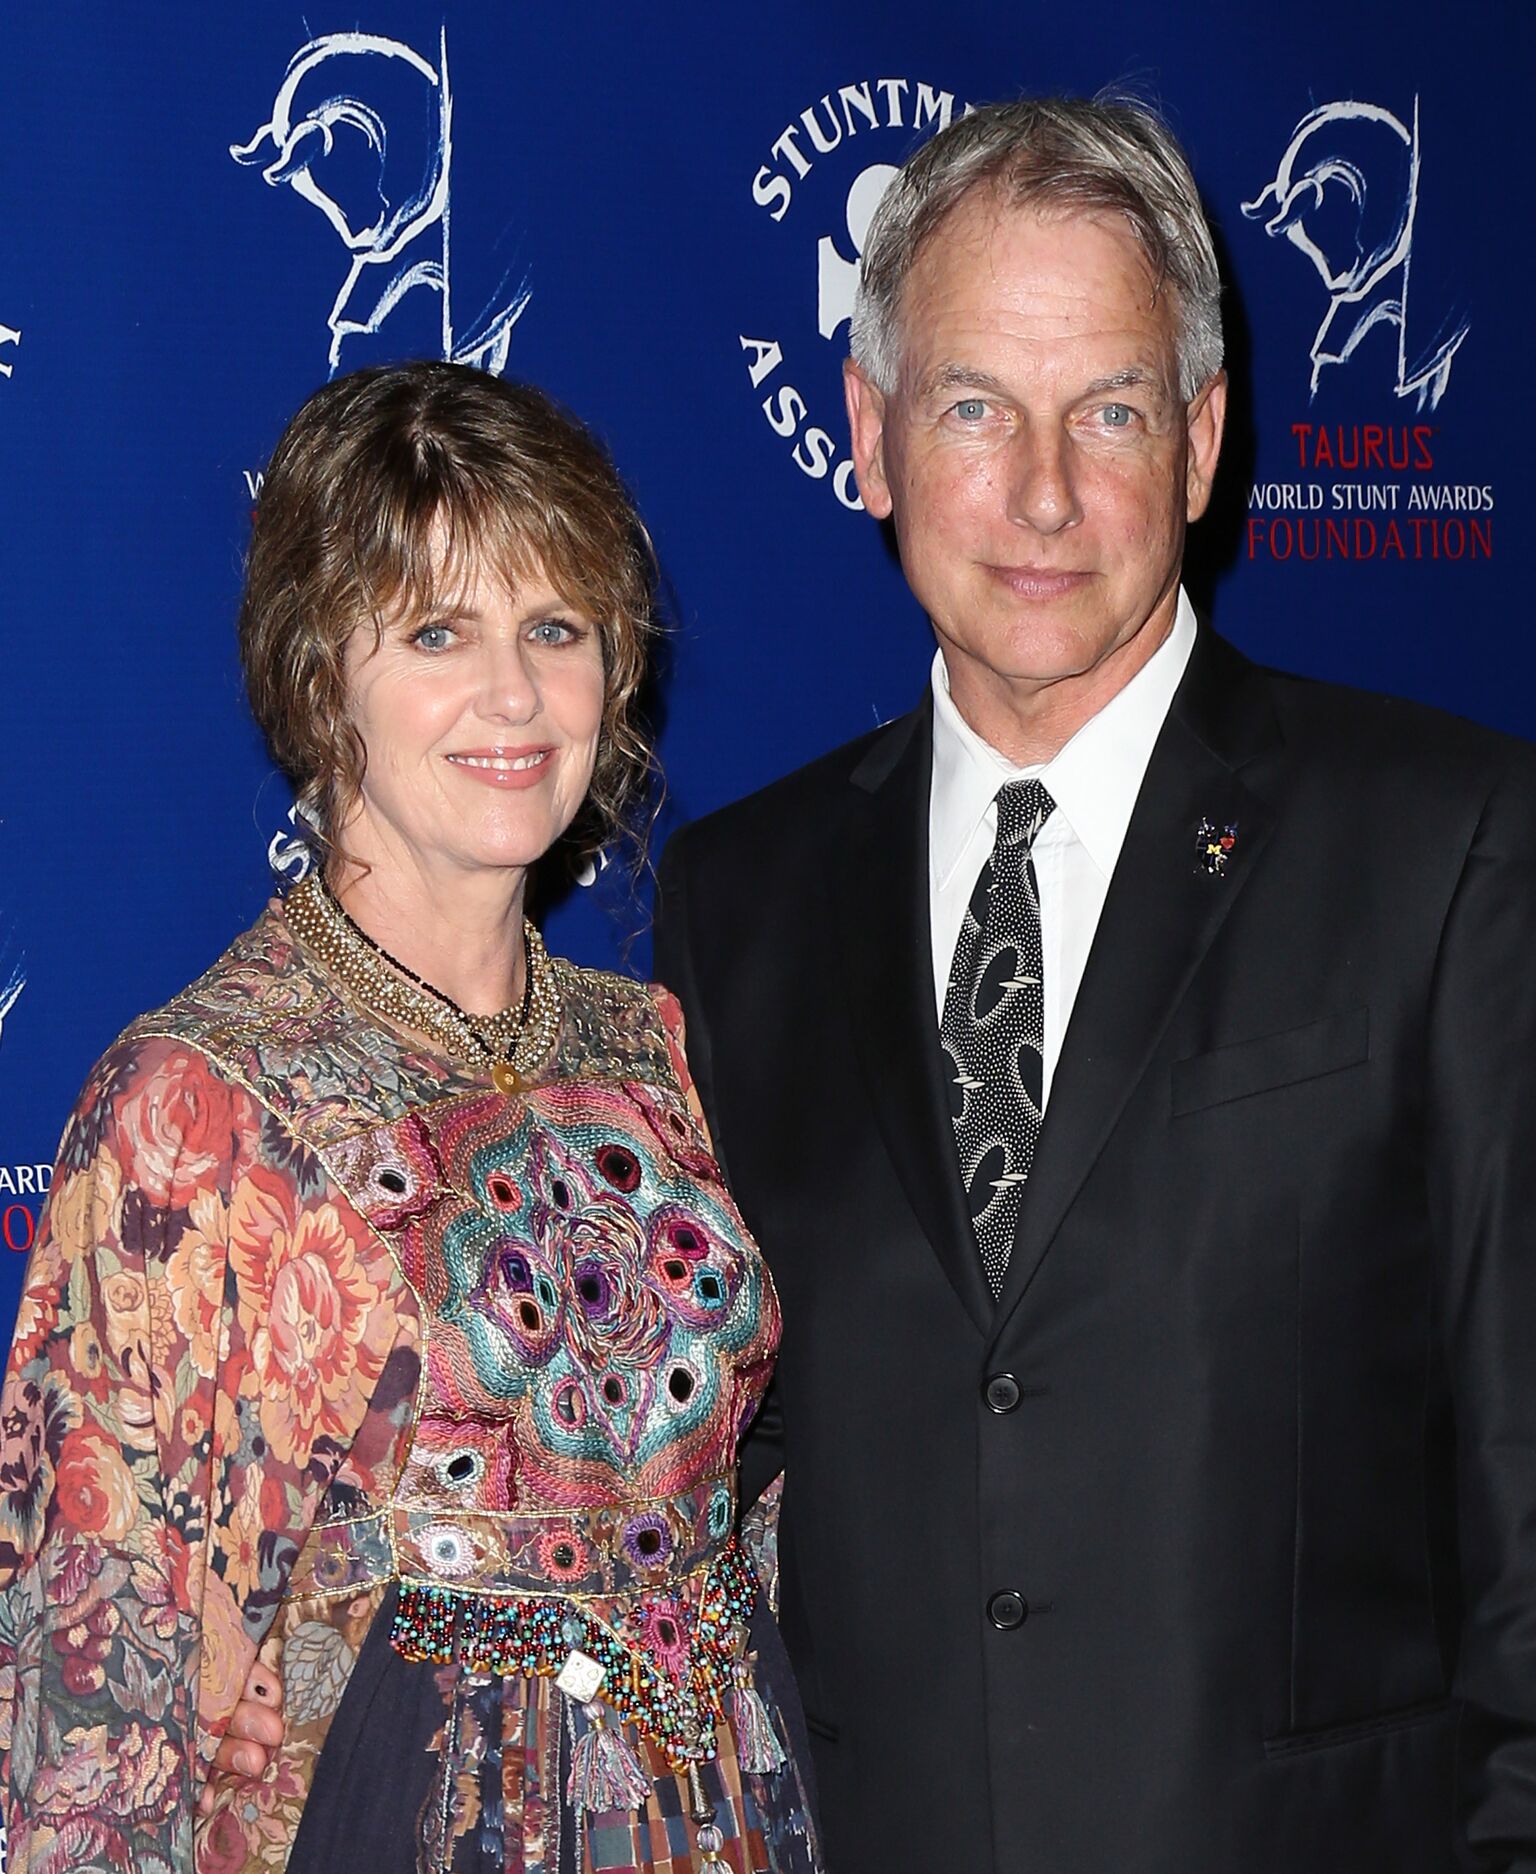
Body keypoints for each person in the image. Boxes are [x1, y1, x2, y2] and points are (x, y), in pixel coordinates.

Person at [649, 98, 1536, 1872]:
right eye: (976, 406)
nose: (1045, 491)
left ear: (1203, 444)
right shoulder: (735, 903)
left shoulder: (1448, 848)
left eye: (1111, 410)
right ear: (871, 436)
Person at [0, 361, 821, 1874]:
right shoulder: (197, 1103)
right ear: (322, 673)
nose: (515, 696)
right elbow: (92, 1718)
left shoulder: (655, 1056)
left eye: (555, 629)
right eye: (441, 631)